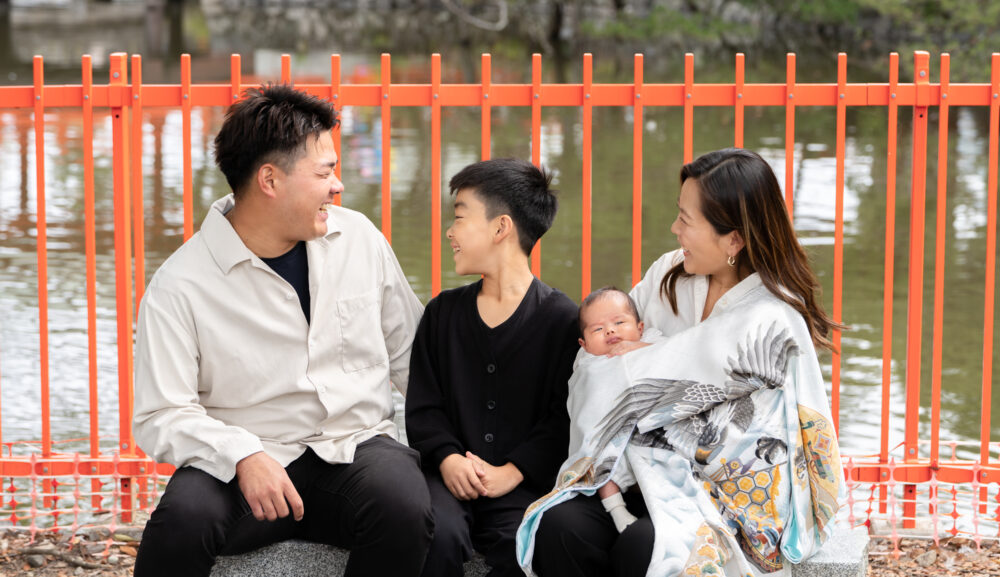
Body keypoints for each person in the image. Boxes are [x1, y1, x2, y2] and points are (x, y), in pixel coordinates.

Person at [132, 84, 432, 577]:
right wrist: (242, 455)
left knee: (404, 506)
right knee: (182, 522)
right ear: (269, 179)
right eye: (324, 172)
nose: (337, 185)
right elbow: (160, 413)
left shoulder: (359, 238)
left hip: (355, 446)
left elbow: (413, 359)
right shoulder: (180, 284)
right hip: (247, 460)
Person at [519, 148, 846, 577]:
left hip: (726, 493)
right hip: (637, 472)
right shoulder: (669, 274)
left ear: (733, 240)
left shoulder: (772, 318)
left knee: (647, 547)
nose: (675, 229)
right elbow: (600, 357)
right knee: (561, 527)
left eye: (686, 221)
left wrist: (646, 364)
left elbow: (644, 378)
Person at [405, 158, 579, 577]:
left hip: (523, 485)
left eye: (460, 216)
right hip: (446, 481)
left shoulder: (562, 320)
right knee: (436, 534)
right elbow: (424, 407)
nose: (450, 232)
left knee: (524, 544)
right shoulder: (442, 313)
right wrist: (447, 458)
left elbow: (564, 417)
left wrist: (513, 471)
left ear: (501, 228)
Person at [576, 287, 646, 533]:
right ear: (584, 345)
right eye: (598, 329)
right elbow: (587, 411)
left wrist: (645, 347)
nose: (610, 330)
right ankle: (616, 509)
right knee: (598, 456)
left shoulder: (654, 346)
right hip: (609, 433)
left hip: (646, 434)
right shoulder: (590, 366)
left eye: (619, 322)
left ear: (640, 328)